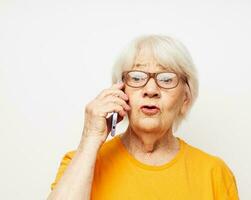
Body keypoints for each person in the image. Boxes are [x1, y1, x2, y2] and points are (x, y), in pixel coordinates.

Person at [47, 35, 239, 200]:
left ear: (185, 99)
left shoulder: (214, 173)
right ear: (120, 91)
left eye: (166, 79)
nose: (151, 90)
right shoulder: (81, 162)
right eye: (137, 78)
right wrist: (90, 137)